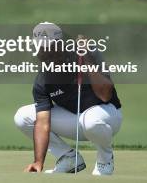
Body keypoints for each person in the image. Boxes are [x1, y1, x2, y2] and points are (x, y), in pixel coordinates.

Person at [13, 22, 122, 175]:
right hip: (75, 121)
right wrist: (39, 161)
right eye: (39, 47)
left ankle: (105, 160)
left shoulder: (86, 54)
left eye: (47, 47)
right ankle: (69, 158)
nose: (42, 52)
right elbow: (43, 123)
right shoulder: (42, 80)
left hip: (107, 116)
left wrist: (87, 60)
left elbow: (105, 95)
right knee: (23, 117)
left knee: (90, 120)